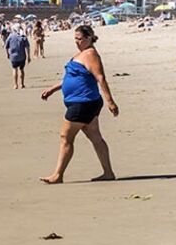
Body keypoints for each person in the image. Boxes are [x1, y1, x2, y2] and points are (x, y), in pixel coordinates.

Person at [39, 25, 119, 184]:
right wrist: (52, 89)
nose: (77, 42)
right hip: (85, 102)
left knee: (65, 137)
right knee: (95, 137)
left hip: (82, 103)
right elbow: (71, 77)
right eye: (75, 39)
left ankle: (58, 175)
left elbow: (100, 78)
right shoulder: (82, 54)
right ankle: (108, 173)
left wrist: (111, 102)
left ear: (89, 38)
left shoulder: (91, 55)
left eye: (80, 39)